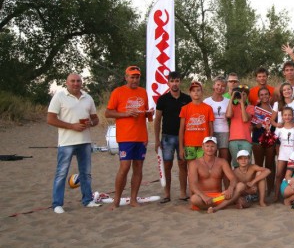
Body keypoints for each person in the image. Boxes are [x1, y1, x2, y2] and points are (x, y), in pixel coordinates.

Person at [47, 73, 101, 213]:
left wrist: (91, 123)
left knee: (86, 173)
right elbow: (51, 119)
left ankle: (87, 200)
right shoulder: (59, 96)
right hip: (66, 142)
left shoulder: (88, 97)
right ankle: (57, 204)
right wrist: (72, 126)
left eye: (78, 81)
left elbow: (95, 119)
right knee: (61, 173)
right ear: (67, 82)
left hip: (85, 141)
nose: (76, 83)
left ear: (81, 82)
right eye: (72, 81)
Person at [105, 66, 154, 210]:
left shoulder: (143, 92)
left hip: (141, 136)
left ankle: (133, 199)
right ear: (126, 77)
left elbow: (145, 114)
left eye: (137, 77)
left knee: (138, 167)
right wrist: (125, 114)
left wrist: (149, 113)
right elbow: (108, 113)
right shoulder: (118, 92)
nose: (135, 80)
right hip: (125, 137)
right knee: (125, 167)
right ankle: (116, 201)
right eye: (132, 77)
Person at [155, 71, 192, 202]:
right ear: (168, 83)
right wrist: (156, 140)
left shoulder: (187, 99)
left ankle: (183, 193)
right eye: (172, 81)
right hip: (167, 137)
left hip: (184, 137)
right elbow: (157, 120)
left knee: (183, 164)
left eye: (177, 81)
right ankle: (167, 194)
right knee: (167, 165)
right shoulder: (162, 99)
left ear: (180, 82)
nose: (174, 83)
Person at [188, 136, 242, 213]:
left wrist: (230, 188)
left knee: (240, 186)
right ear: (202, 147)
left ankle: (216, 208)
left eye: (212, 146)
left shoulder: (222, 162)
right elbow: (192, 184)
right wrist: (203, 196)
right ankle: (224, 205)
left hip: (219, 197)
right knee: (194, 199)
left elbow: (233, 178)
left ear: (216, 147)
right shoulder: (194, 163)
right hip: (203, 198)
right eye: (207, 146)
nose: (210, 149)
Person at [250, 87, 276, 197]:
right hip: (257, 138)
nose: (264, 96)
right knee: (258, 166)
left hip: (271, 138)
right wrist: (255, 126)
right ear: (258, 97)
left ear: (270, 96)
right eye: (262, 94)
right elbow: (249, 126)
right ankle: (257, 191)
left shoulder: (274, 108)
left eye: (266, 94)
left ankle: (270, 190)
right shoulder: (255, 108)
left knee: (270, 165)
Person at [273, 107, 294, 201]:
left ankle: (289, 194)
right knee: (279, 175)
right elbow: (275, 142)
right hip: (282, 156)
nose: (287, 117)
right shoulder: (279, 129)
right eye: (285, 115)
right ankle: (276, 196)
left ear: (293, 116)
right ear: (282, 116)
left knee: (291, 176)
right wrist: (278, 153)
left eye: (289, 115)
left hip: (293, 156)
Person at [179, 81, 215, 162]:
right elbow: (181, 129)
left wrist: (210, 144)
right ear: (190, 93)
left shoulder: (208, 108)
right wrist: (181, 147)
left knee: (203, 166)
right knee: (191, 166)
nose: (196, 92)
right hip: (189, 144)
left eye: (198, 90)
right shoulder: (185, 108)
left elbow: (211, 128)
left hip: (204, 144)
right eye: (193, 91)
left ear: (202, 92)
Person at [203, 76, 231, 168]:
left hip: (224, 131)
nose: (220, 87)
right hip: (211, 131)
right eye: (218, 85)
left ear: (225, 88)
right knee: (211, 157)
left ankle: (224, 176)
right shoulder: (206, 101)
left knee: (224, 158)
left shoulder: (228, 101)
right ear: (214, 85)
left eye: (223, 86)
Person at [226, 84, 253, 167]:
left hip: (246, 139)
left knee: (246, 164)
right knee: (236, 164)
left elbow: (245, 119)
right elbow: (228, 115)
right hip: (233, 140)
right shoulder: (233, 107)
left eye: (244, 94)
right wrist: (232, 98)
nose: (242, 96)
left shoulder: (250, 107)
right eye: (240, 94)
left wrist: (241, 103)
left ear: (247, 96)